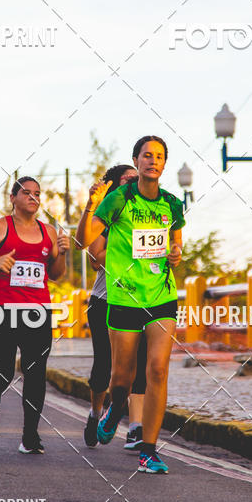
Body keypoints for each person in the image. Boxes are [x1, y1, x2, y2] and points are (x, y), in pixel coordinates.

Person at [76, 136, 184, 474]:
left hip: (161, 296)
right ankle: (115, 407)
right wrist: (91, 204)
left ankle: (148, 450)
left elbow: (176, 246)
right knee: (122, 378)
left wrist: (175, 254)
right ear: (136, 160)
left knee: (158, 370)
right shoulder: (119, 199)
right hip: (124, 298)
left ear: (164, 163)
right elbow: (83, 241)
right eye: (147, 155)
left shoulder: (172, 204)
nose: (153, 161)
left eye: (159, 156)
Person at [0, 177, 69, 453]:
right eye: (26, 193)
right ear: (13, 198)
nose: (33, 198)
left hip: (37, 311)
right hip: (0, 310)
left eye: (37, 194)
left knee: (35, 374)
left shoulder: (48, 232)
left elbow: (56, 275)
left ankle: (30, 436)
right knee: (2, 371)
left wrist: (62, 254)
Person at [84, 163, 147, 451]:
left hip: (140, 300)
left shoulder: (149, 216)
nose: (134, 183)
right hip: (105, 300)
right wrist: (127, 245)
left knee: (140, 366)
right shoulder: (105, 218)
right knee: (104, 366)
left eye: (136, 178)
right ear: (113, 186)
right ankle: (95, 413)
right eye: (127, 179)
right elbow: (94, 259)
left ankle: (135, 429)